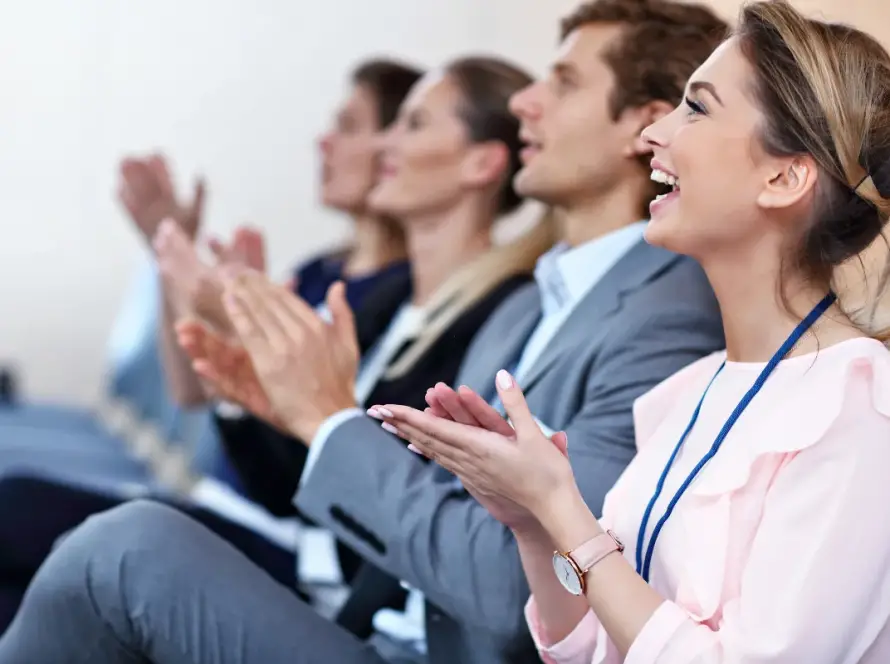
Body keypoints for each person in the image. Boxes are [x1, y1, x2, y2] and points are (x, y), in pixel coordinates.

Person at [0, 1, 728, 662]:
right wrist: (281, 406)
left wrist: (323, 417)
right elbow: (426, 501)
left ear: (643, 126)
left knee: (117, 551)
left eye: (563, 83)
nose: (525, 103)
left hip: (425, 639)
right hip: (374, 615)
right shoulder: (530, 304)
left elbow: (523, 595)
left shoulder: (663, 319)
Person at [373, 2, 890, 662]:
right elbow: (591, 640)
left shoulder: (860, 409)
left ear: (784, 176)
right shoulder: (689, 389)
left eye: (697, 109)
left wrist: (562, 511)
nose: (655, 136)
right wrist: (532, 523)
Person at [0, 52, 551, 639]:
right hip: (285, 536)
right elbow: (289, 466)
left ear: (481, 163)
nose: (384, 147)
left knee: (24, 517)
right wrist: (240, 380)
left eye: (412, 126)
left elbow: (367, 488)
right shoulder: (389, 300)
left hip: (330, 578)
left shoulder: (494, 314)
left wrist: (247, 356)